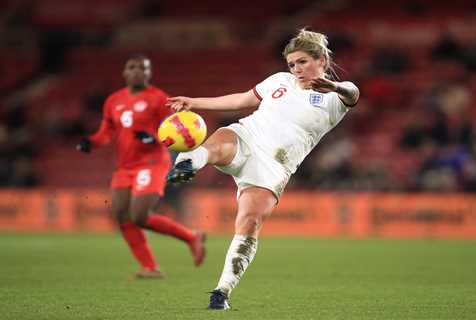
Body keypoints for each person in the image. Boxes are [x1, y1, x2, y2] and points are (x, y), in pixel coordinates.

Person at [166, 29, 360, 309]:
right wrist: (194, 102)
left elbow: (353, 93)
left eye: (303, 62)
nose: (296, 69)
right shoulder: (280, 81)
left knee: (249, 222)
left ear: (321, 60)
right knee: (220, 142)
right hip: (248, 135)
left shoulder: (334, 99)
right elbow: (241, 100)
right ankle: (186, 165)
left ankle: (221, 292)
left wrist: (334, 87)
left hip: (274, 165)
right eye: (292, 64)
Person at [76, 54, 206, 279]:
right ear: (125, 72)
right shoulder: (114, 100)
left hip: (152, 162)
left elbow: (174, 129)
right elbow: (107, 131)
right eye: (132, 67)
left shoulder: (158, 98)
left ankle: (190, 237)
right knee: (120, 214)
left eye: (142, 68)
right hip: (125, 166)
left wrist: (153, 139)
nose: (137, 71)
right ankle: (151, 267)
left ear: (149, 72)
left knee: (139, 215)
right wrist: (92, 142)